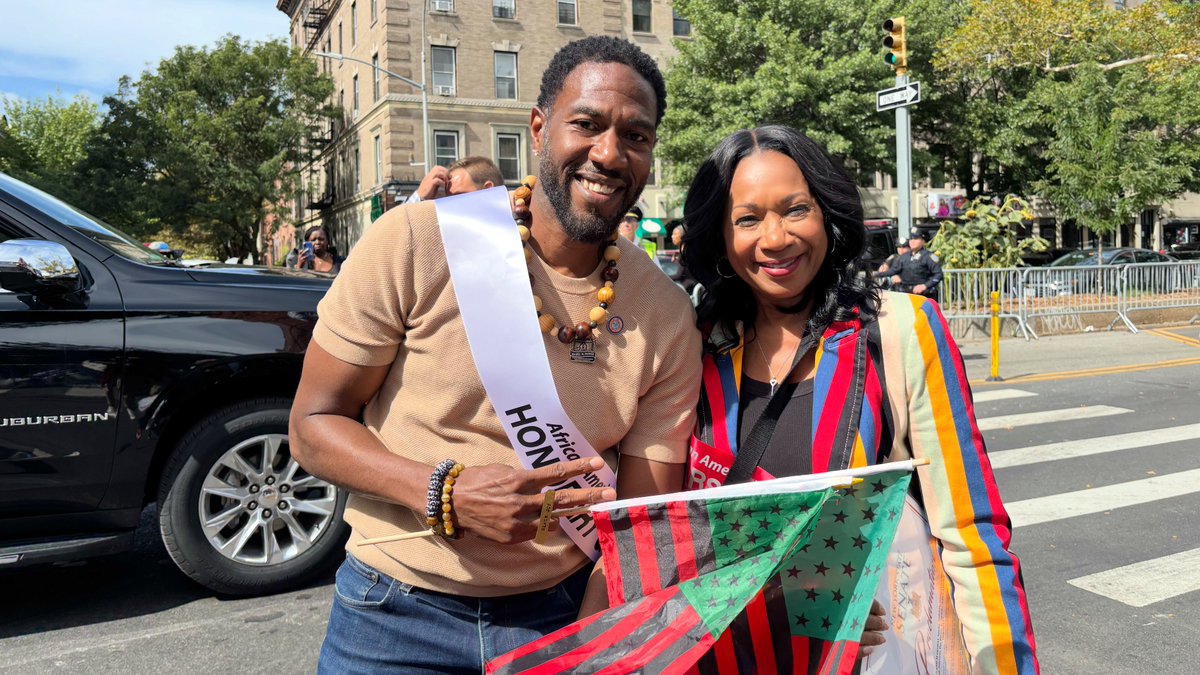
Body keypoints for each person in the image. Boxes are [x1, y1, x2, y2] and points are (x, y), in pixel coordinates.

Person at [289, 36, 701, 674]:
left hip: (562, 614)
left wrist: (591, 641)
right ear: (539, 128)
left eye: (636, 136)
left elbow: (636, 523)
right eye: (586, 125)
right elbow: (313, 426)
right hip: (393, 617)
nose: (609, 154)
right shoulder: (417, 241)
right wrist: (442, 491)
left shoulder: (668, 315)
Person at [680, 125, 1038, 674]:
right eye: (747, 219)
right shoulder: (690, 348)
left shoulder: (903, 332)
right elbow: (667, 542)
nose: (774, 238)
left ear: (828, 215)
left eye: (795, 210)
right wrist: (779, 595)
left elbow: (972, 535)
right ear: (720, 238)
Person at [404, 155, 506, 204]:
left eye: (459, 196)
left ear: (488, 190)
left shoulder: (517, 232)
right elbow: (392, 235)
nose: (451, 204)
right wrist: (420, 196)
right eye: (449, 198)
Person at [882, 231, 943, 298]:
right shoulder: (901, 258)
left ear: (923, 241)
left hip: (925, 295)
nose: (901, 249)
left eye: (916, 239)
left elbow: (938, 274)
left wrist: (925, 286)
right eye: (911, 239)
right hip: (905, 294)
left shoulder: (929, 256)